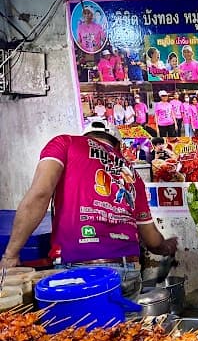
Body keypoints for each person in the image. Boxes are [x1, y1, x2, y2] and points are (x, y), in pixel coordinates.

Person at [0, 119, 177, 300]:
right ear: (118, 145)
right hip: (127, 272)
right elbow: (153, 240)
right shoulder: (132, 172)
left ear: (87, 137)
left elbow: (40, 194)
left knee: (79, 329)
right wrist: (167, 247)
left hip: (78, 271)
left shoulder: (65, 143)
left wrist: (10, 255)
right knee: (125, 328)